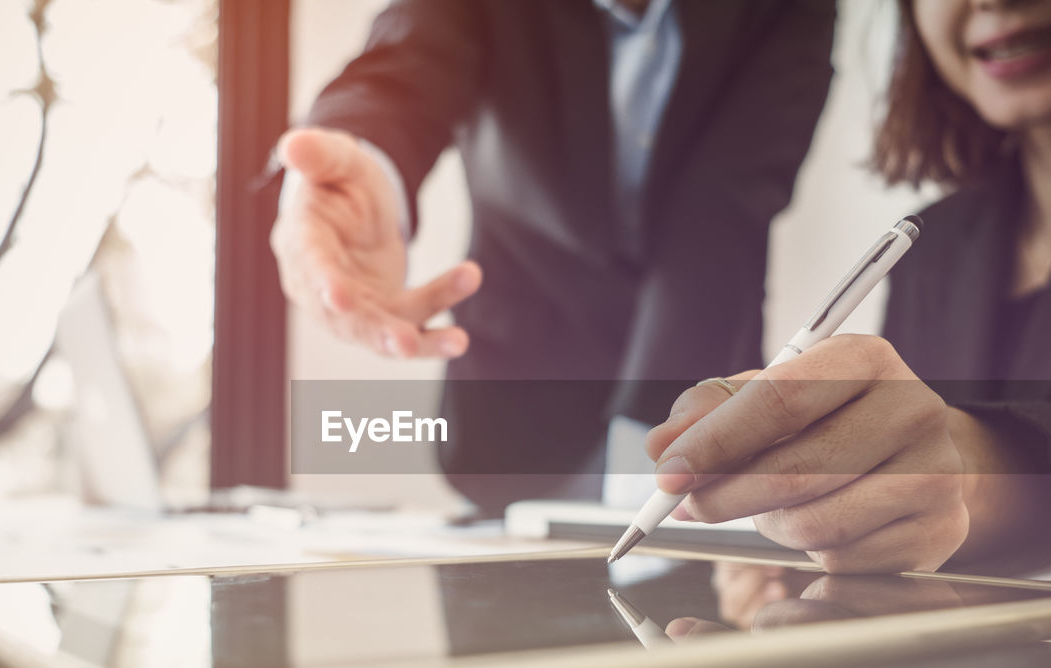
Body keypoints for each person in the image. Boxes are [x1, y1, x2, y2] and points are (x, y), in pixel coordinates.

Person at [271, 0, 836, 510]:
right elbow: (401, 72)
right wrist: (363, 163)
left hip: (696, 394)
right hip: (516, 410)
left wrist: (657, 452)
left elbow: (724, 204)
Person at [647, 0, 1051, 576]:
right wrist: (837, 527)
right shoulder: (938, 245)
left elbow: (950, 468)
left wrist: (979, 473)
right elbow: (916, 500)